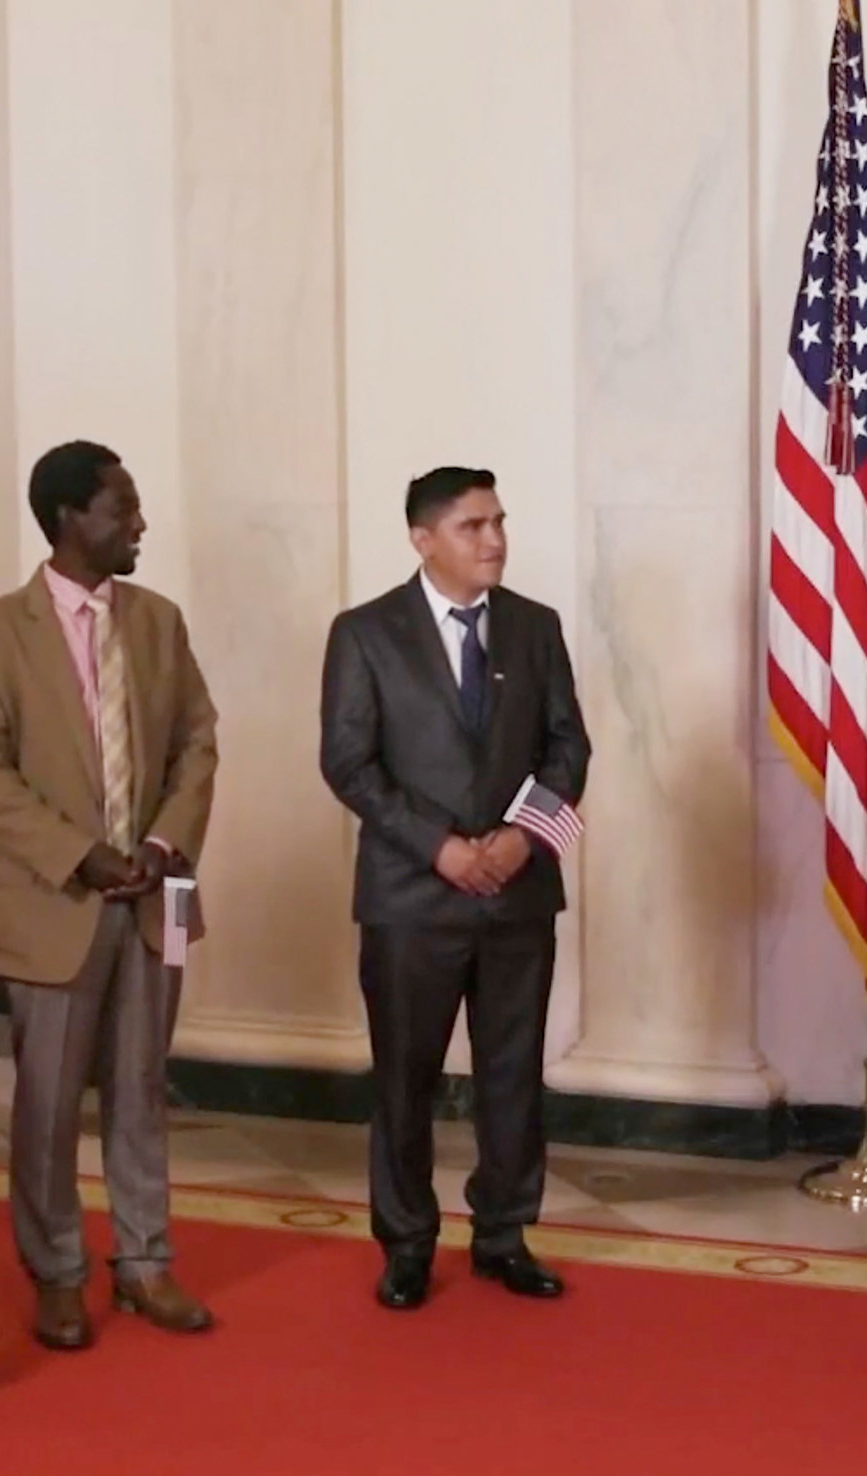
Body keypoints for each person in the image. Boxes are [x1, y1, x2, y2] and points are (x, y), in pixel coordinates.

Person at [0, 441, 221, 1349]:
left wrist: (159, 843)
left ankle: (146, 1263)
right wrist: (81, 856)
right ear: (69, 518)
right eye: (122, 507)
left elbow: (196, 743)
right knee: (49, 1101)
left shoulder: (158, 620)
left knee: (142, 1086)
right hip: (52, 904)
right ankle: (56, 1272)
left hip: (155, 896)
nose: (139, 523)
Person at [318, 466, 590, 1311]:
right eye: (474, 526)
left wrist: (522, 838)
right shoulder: (365, 633)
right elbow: (348, 763)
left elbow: (569, 751)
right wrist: (439, 848)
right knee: (405, 1078)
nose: (496, 540)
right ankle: (406, 1243)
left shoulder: (535, 629)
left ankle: (504, 1234)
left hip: (517, 896)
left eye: (499, 521)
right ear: (423, 538)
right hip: (410, 898)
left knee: (513, 1075)